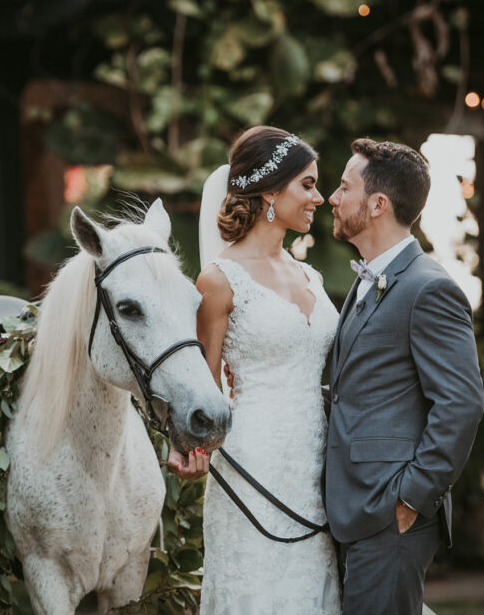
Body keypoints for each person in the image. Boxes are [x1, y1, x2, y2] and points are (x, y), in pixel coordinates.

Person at [168, 126, 341, 614]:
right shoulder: (219, 280)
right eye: (307, 185)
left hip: (319, 466)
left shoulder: (312, 275)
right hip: (251, 464)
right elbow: (203, 384)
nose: (319, 197)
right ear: (270, 190)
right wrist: (192, 451)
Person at [325, 138, 483, 615]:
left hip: (389, 515)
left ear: (378, 204)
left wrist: (411, 497)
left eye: (343, 187)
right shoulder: (366, 279)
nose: (332, 198)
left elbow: (461, 404)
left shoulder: (428, 288)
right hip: (353, 510)